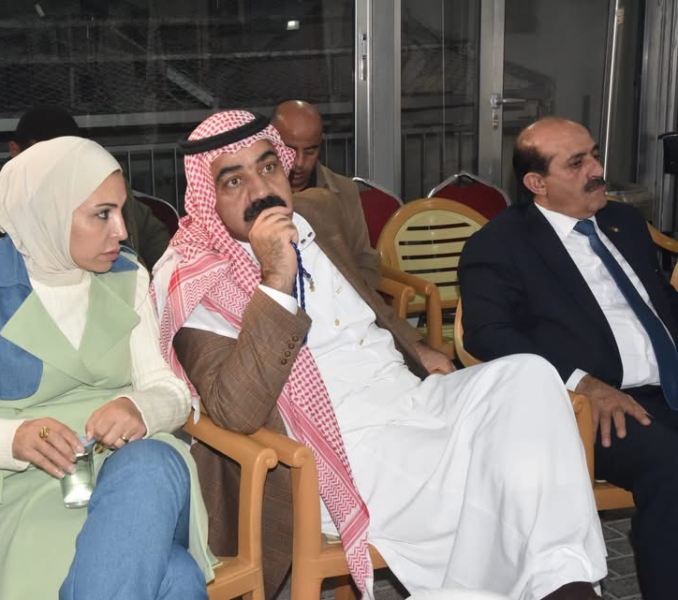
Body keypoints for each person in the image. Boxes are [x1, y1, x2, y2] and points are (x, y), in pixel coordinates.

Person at [151, 110, 607, 600]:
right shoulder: (192, 278)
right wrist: (276, 277)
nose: (260, 190)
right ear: (208, 195)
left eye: (268, 167)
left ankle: (557, 581)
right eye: (234, 180)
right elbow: (234, 410)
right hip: (337, 444)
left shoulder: (314, 217)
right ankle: (561, 587)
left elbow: (365, 297)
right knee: (498, 475)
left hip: (410, 397)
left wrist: (416, 346)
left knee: (530, 378)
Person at [0, 136, 213, 600]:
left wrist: (139, 408)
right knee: (176, 578)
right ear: (48, 211)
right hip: (18, 497)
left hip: (134, 487)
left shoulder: (128, 276)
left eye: (122, 211)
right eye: (102, 214)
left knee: (153, 462)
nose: (121, 230)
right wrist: (12, 439)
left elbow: (172, 391)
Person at [459, 116, 678, 600]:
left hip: (669, 381)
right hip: (596, 405)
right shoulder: (499, 245)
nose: (597, 170)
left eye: (594, 155)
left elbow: (661, 303)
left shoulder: (624, 223)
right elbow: (487, 335)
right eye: (577, 163)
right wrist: (582, 382)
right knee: (672, 469)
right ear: (536, 183)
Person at [0, 105, 172, 269]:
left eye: (64, 161)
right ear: (15, 151)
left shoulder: (111, 199)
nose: (119, 230)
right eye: (43, 159)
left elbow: (163, 254)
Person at [271, 100, 381, 289]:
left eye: (310, 151)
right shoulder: (255, 195)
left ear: (321, 146)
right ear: (270, 143)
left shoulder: (344, 191)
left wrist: (349, 294)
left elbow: (366, 262)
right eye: (290, 150)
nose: (299, 163)